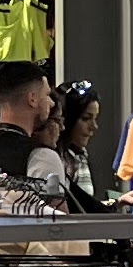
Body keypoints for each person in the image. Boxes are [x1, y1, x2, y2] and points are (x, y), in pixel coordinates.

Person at [52, 80, 108, 209]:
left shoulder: (80, 154)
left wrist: (116, 203)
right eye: (86, 118)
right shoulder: (56, 159)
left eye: (95, 118)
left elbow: (84, 206)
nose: (94, 126)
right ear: (66, 119)